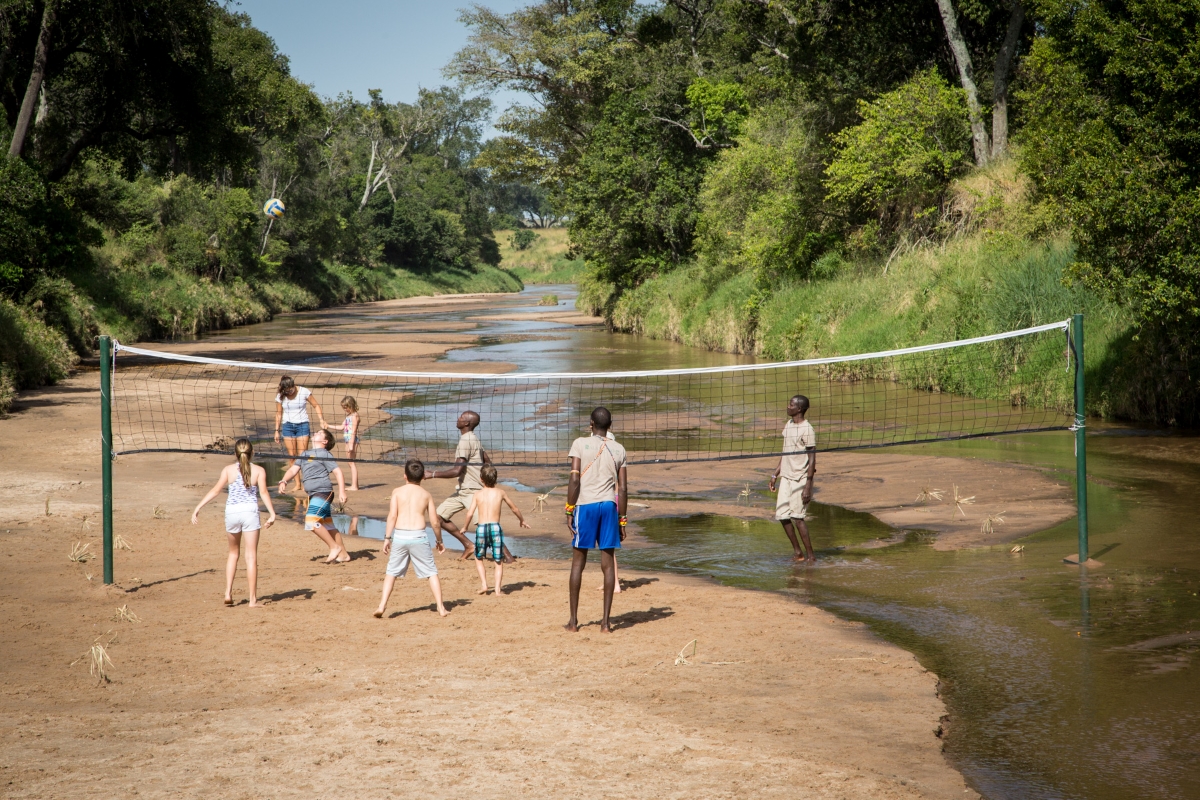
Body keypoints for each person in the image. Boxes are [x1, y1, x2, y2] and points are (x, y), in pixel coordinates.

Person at [190, 438, 277, 607]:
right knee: (250, 556)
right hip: (250, 512)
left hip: (232, 512)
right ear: (252, 453)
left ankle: (228, 592)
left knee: (233, 554)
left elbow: (216, 490)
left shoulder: (228, 470)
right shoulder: (258, 470)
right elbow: (264, 493)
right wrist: (272, 514)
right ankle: (252, 600)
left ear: (235, 454)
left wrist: (198, 507)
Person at [564, 407, 627, 633]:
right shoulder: (619, 449)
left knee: (578, 563)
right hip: (609, 506)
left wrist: (569, 509)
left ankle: (573, 622)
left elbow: (574, 480)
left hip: (586, 505)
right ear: (610, 425)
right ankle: (605, 624)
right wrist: (622, 519)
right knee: (607, 565)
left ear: (591, 423)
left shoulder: (580, 444)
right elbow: (624, 488)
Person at [429, 410, 514, 563]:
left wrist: (432, 474)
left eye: (461, 417)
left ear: (467, 423)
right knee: (437, 517)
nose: (458, 418)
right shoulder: (474, 439)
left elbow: (457, 470)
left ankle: (509, 559)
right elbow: (487, 461)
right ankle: (469, 545)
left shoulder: (465, 441)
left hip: (472, 492)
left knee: (486, 524)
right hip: (463, 491)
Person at [374, 459, 450, 618]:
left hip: (400, 536)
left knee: (391, 572)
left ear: (404, 476)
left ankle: (382, 605)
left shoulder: (397, 492)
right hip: (418, 536)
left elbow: (392, 516)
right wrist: (439, 541)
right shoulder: (426, 495)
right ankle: (441, 608)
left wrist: (387, 537)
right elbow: (435, 522)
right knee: (431, 572)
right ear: (423, 476)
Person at [277, 428, 350, 563]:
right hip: (313, 494)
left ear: (324, 441)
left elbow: (338, 472)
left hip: (323, 492)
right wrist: (284, 480)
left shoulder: (325, 454)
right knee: (328, 526)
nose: (315, 432)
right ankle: (344, 555)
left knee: (311, 521)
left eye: (319, 433)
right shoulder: (305, 454)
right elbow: (293, 469)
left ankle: (334, 547)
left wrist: (342, 491)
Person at [462, 464, 530, 597]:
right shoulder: (500, 492)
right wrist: (521, 520)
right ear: (496, 479)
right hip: (495, 527)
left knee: (478, 557)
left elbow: (469, 513)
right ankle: (498, 590)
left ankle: (484, 584)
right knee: (498, 560)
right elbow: (514, 508)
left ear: (481, 479)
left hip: (481, 527)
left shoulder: (477, 494)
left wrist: (465, 526)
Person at [769, 394, 817, 563]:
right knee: (782, 515)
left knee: (797, 518)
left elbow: (812, 458)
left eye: (791, 405)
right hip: (786, 477)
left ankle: (811, 556)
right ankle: (798, 553)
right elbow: (785, 453)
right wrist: (775, 474)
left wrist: (808, 486)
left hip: (800, 479)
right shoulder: (789, 424)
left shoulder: (807, 429)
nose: (787, 407)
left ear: (799, 409)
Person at [273, 376, 327, 492]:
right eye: (287, 390)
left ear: (294, 385)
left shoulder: (304, 391)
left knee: (303, 456)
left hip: (302, 425)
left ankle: (306, 482)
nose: (290, 392)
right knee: (292, 456)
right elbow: (278, 414)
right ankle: (297, 484)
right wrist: (276, 431)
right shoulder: (280, 396)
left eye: (291, 389)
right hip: (287, 426)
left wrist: (321, 419)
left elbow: (316, 405)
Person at [341, 395, 361, 491]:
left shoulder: (355, 416)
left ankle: (354, 486)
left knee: (352, 463)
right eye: (343, 408)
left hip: (352, 441)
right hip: (347, 440)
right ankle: (354, 485)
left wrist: (351, 444)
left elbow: (353, 431)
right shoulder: (348, 416)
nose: (345, 409)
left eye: (346, 407)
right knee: (350, 463)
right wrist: (327, 425)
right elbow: (341, 427)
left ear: (351, 405)